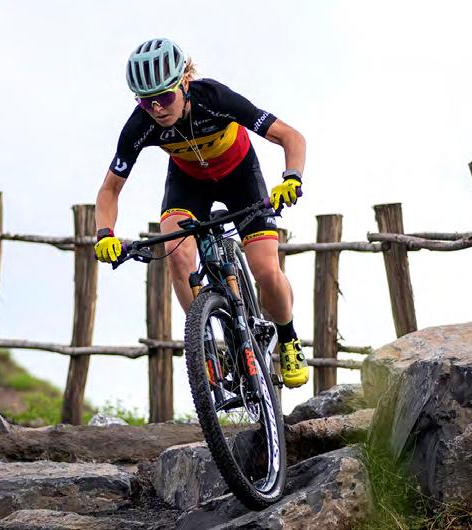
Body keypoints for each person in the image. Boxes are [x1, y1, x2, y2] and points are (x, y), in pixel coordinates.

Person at [92, 38, 310, 388]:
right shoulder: (141, 124)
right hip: (189, 183)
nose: (157, 109)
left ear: (184, 82)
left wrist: (291, 178)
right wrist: (105, 234)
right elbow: (109, 190)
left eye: (165, 98)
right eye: (146, 102)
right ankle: (204, 345)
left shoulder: (215, 98)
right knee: (177, 254)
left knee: (266, 270)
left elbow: (291, 137)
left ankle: (288, 339)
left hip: (240, 178)